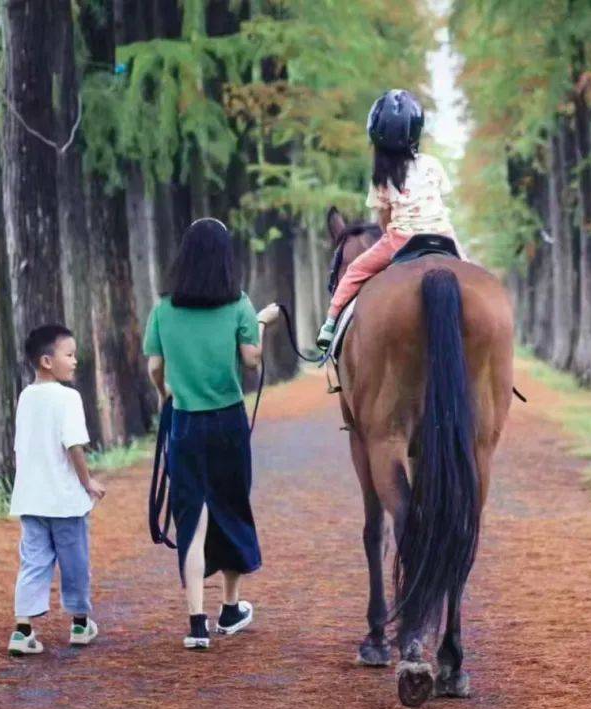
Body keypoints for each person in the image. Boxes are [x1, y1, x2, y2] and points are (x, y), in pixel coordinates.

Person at [144, 217, 280, 650]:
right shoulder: (238, 304)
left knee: (192, 517)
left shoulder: (163, 308)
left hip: (184, 422)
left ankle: (196, 623)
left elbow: (153, 367)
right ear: (225, 258)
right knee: (231, 507)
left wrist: (166, 391)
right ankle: (230, 606)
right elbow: (253, 361)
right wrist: (261, 322)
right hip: (227, 421)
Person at [316, 88, 465, 351]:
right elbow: (441, 198)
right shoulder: (432, 164)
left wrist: (391, 231)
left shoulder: (382, 177)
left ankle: (329, 325)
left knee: (354, 272)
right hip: (443, 235)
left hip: (402, 240)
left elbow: (384, 219)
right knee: (468, 271)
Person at [8, 325, 106, 656]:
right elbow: (74, 446)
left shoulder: (25, 397)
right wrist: (87, 482)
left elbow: (22, 448)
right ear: (47, 360)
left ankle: (23, 630)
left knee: (33, 562)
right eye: (69, 354)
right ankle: (80, 624)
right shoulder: (68, 397)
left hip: (32, 499)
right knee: (74, 560)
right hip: (65, 500)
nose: (75, 361)